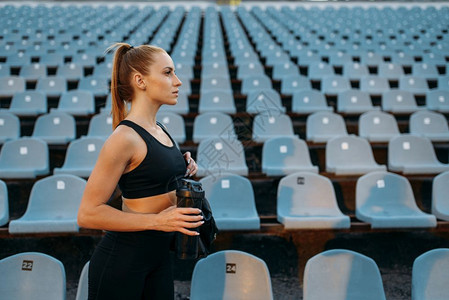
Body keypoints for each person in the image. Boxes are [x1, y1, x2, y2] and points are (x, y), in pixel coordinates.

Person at [77, 43, 202, 300]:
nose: (177, 81)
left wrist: (182, 166)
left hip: (158, 260)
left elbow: (149, 176)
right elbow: (87, 214)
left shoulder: (160, 129)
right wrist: (158, 221)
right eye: (168, 73)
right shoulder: (124, 138)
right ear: (140, 80)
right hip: (123, 263)